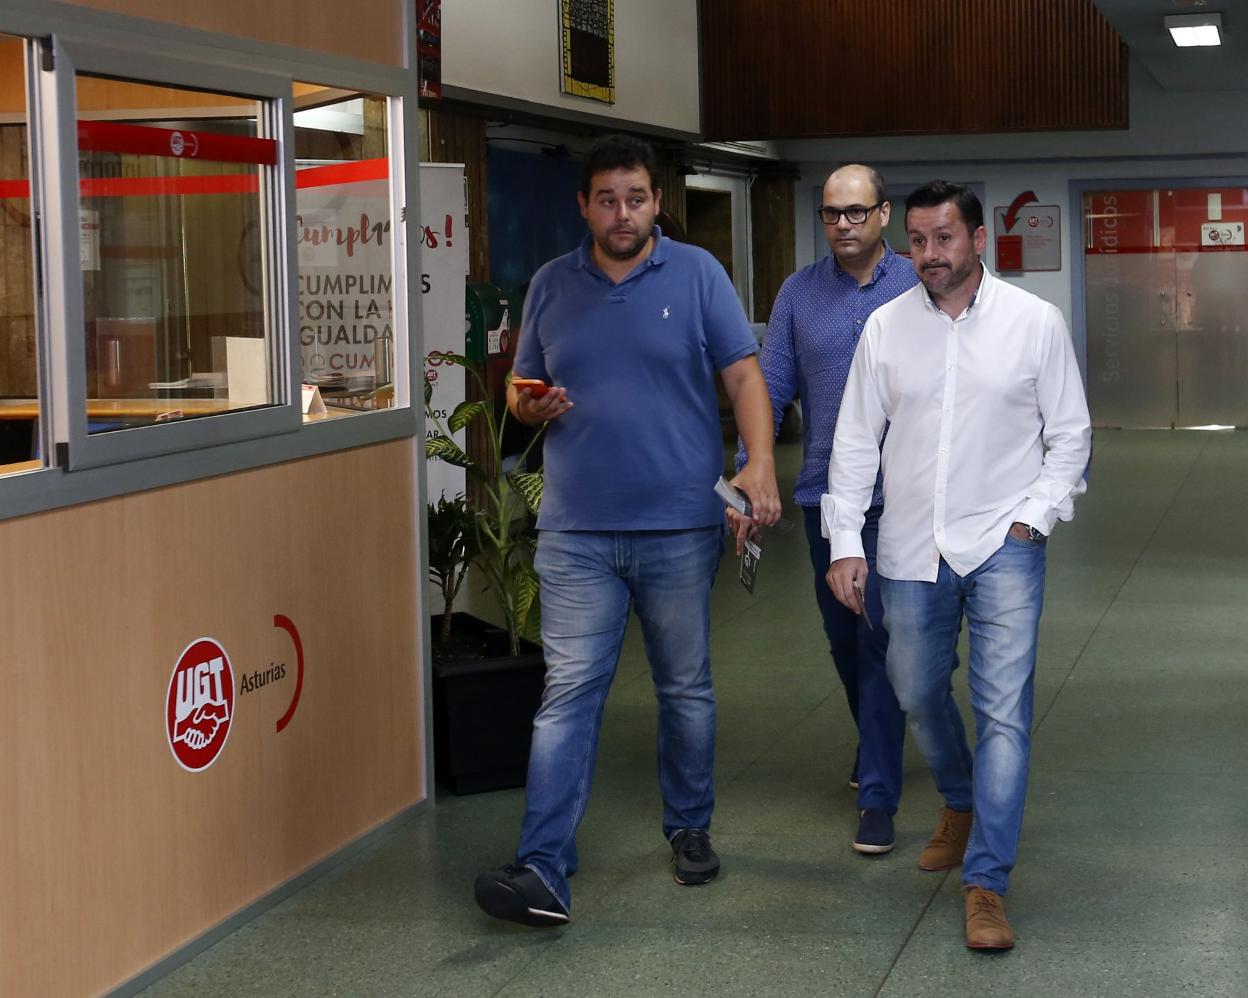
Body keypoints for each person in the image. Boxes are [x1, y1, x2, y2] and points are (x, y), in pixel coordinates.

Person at [474, 134, 781, 928]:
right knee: (568, 693)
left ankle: (689, 826)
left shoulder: (696, 274)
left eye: (636, 198)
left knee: (684, 686)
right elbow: (518, 388)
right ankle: (543, 865)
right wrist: (526, 407)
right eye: (607, 199)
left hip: (679, 524)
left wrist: (758, 465)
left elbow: (744, 373)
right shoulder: (551, 283)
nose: (622, 213)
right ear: (584, 205)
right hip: (575, 529)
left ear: (655, 203)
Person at [823, 180, 1091, 950]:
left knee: (1004, 712)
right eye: (918, 239)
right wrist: (847, 542)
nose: (929, 255)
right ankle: (959, 799)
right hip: (909, 548)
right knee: (914, 691)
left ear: (978, 240)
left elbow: (1069, 436)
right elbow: (852, 444)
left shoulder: (1033, 324)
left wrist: (1030, 522)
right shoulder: (884, 329)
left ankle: (986, 883)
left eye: (944, 239)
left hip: (1004, 546)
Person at [733, 164, 918, 856]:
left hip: (906, 499)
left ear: (883, 214)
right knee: (846, 642)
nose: (842, 224)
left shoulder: (916, 286)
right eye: (831, 213)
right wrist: (750, 470)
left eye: (855, 212)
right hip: (826, 496)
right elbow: (771, 381)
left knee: (877, 637)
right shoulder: (799, 293)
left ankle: (878, 795)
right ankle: (879, 735)